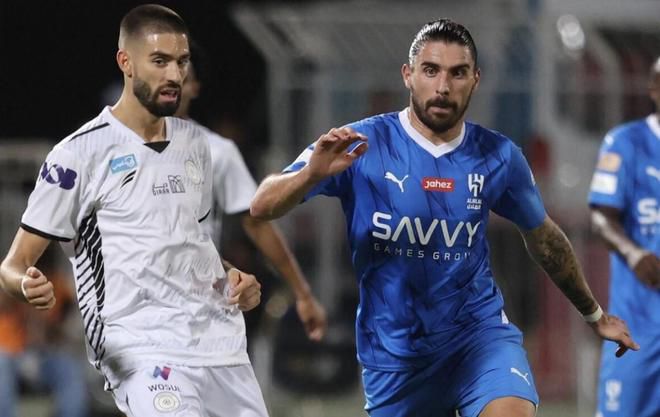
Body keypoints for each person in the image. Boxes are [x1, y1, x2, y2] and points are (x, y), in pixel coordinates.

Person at [250, 19, 639, 417]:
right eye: (431, 70)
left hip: (479, 339)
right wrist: (310, 175)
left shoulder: (498, 156)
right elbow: (262, 205)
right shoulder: (361, 144)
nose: (443, 86)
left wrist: (594, 314)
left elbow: (545, 239)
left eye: (458, 73)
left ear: (475, 79)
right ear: (408, 75)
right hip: (396, 358)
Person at [0, 5, 268, 417]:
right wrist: (25, 284)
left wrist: (232, 275)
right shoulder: (77, 155)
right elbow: (13, 264)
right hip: (141, 347)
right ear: (126, 62)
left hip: (220, 344)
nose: (174, 75)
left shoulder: (195, 144)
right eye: (159, 61)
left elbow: (189, 243)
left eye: (181, 62)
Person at [175, 52, 327, 342]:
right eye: (163, 66)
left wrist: (302, 293)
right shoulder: (111, 146)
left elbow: (256, 222)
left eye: (183, 74)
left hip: (197, 306)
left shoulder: (216, 151)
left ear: (195, 87)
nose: (172, 79)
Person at [588, 57, 660, 417]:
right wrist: (633, 253)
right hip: (640, 328)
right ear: (654, 89)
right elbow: (601, 217)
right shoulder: (625, 143)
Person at [0, 245, 89, 417]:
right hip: (12, 356)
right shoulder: (9, 275)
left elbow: (68, 325)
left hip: (45, 356)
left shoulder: (56, 282)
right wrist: (17, 287)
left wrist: (46, 325)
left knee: (70, 368)